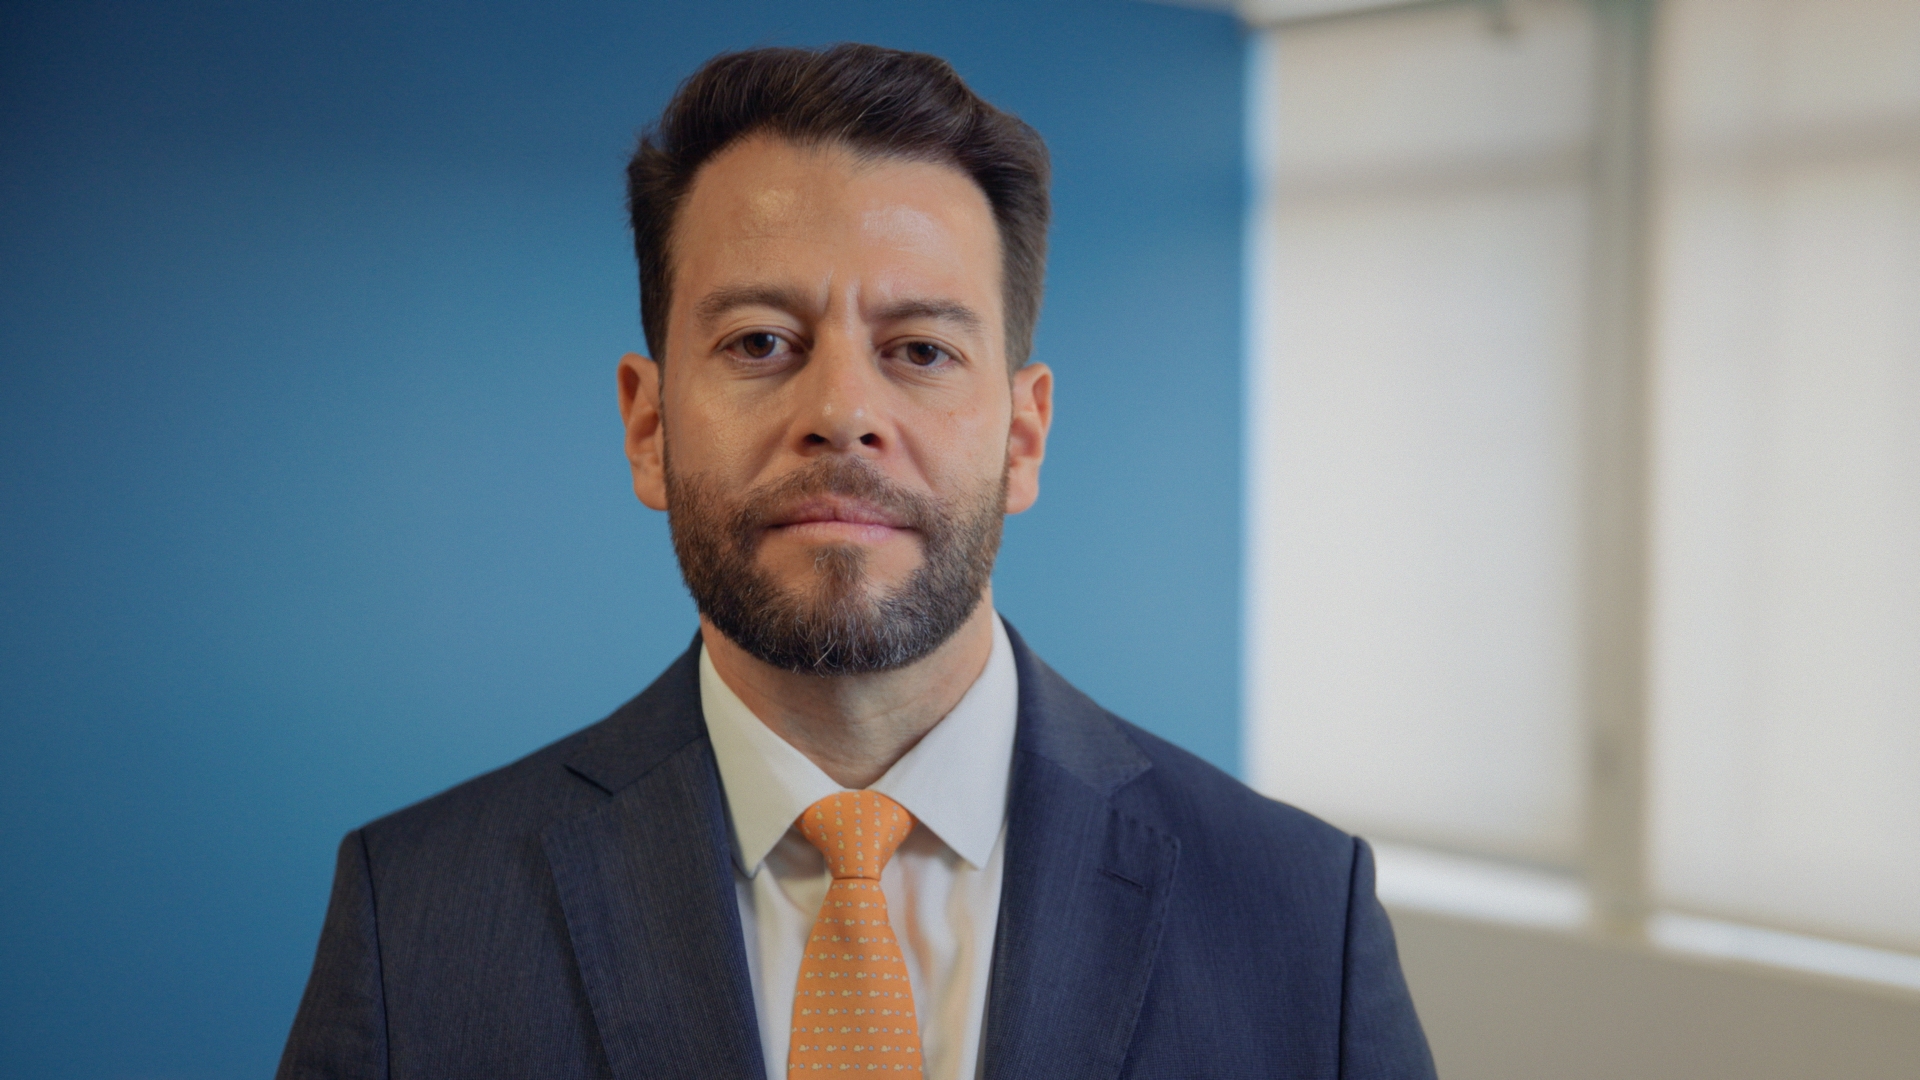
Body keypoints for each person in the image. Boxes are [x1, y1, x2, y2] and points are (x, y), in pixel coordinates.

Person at [277, 43, 1435, 1080]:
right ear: (648, 425)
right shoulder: (414, 918)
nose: (841, 412)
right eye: (761, 342)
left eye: (920, 349)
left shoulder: (1299, 917)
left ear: (1023, 438)